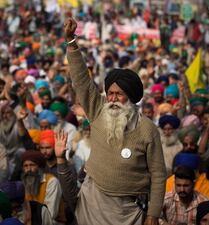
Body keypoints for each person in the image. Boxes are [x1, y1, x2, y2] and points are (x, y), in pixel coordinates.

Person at [64, 18, 166, 224]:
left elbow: (158, 174)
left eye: (119, 94)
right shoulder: (98, 109)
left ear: (131, 97)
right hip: (92, 199)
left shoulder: (148, 130)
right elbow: (82, 81)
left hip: (127, 210)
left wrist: (153, 214)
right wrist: (71, 43)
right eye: (110, 93)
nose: (113, 99)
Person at [21, 150, 65, 224]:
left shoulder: (52, 182)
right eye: (26, 166)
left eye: (32, 165)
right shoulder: (24, 183)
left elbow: (51, 214)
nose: (29, 169)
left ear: (40, 167)